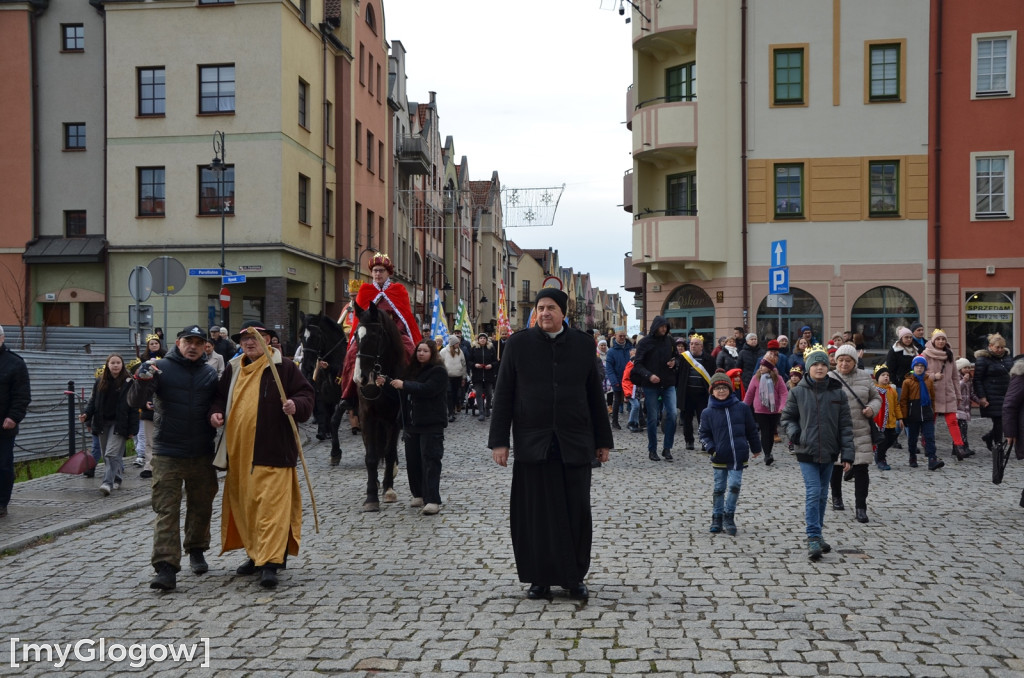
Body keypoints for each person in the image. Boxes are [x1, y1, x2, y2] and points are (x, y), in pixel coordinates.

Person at [488, 288, 612, 601]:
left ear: (563, 313)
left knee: (576, 512)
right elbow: (503, 395)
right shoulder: (518, 344)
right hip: (533, 443)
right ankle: (539, 578)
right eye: (541, 307)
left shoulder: (583, 345)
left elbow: (595, 397)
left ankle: (573, 578)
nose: (544, 313)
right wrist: (499, 442)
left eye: (551, 308)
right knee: (535, 514)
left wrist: (603, 441)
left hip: (574, 442)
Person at [209, 321, 314, 589]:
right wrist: (216, 412)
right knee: (248, 508)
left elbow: (306, 395)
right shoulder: (233, 368)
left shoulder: (284, 367)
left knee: (271, 509)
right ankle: (256, 555)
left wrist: (295, 405)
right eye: (245, 339)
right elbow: (219, 398)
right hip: (240, 453)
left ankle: (271, 562)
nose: (250, 342)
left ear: (269, 340)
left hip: (274, 451)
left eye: (256, 337)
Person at [129, 325, 221, 591]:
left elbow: (217, 403)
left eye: (198, 342)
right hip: (168, 451)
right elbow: (135, 399)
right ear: (178, 343)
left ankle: (196, 548)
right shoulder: (160, 368)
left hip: (202, 451)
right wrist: (141, 380)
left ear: (205, 346)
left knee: (201, 505)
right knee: (166, 509)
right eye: (187, 341)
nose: (192, 346)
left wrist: (216, 415)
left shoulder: (209, 373)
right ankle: (166, 567)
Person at [780, 344, 854, 561]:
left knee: (823, 495)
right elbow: (787, 418)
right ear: (808, 368)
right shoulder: (797, 392)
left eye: (823, 364)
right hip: (807, 450)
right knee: (813, 492)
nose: (820, 368)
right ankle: (812, 536)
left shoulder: (837, 392)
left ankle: (818, 534)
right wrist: (796, 435)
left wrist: (848, 454)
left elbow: (846, 425)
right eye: (816, 365)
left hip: (830, 451)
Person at [378, 339, 448, 515]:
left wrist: (405, 384)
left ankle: (432, 499)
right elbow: (400, 391)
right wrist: (386, 383)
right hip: (411, 423)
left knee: (430, 460)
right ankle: (418, 494)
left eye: (425, 351)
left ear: (432, 353)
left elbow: (427, 389)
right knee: (413, 461)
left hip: (431, 423)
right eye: (419, 351)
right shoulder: (411, 371)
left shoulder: (438, 371)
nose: (421, 354)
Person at [339, 252, 422, 403]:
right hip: (370, 334)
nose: (378, 274)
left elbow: (404, 317)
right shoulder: (365, 291)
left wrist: (393, 332)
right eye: (375, 270)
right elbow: (361, 317)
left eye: (381, 270)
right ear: (371, 273)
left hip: (395, 332)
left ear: (388, 273)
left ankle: (413, 389)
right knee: (351, 354)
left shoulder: (399, 290)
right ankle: (348, 395)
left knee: (411, 350)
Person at [699, 372, 761, 535]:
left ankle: (729, 515)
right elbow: (703, 434)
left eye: (724, 388)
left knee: (734, 486)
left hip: (738, 455)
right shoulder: (707, 412)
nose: (721, 391)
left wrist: (756, 447)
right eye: (717, 388)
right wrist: (712, 449)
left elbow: (751, 429)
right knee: (719, 488)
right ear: (712, 391)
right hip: (719, 455)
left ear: (730, 389)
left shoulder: (742, 408)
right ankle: (717, 517)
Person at [828, 344, 880, 523]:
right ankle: (836, 497)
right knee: (835, 466)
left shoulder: (865, 377)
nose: (843, 363)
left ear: (854, 362)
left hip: (860, 429)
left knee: (861, 468)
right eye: (840, 360)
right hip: (836, 430)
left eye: (847, 360)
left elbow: (876, 397)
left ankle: (860, 507)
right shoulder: (829, 377)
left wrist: (872, 409)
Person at [81, 354, 139, 496]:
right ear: (107, 365)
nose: (115, 365)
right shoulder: (100, 381)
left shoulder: (129, 382)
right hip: (102, 422)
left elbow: (133, 407)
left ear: (122, 364)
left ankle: (107, 482)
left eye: (118, 362)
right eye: (112, 362)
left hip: (120, 423)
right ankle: (117, 478)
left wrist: (133, 428)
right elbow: (93, 402)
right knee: (112, 454)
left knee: (110, 454)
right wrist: (86, 415)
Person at [631, 315, 679, 462]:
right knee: (652, 418)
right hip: (651, 385)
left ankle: (667, 448)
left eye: (666, 327)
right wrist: (649, 375)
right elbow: (637, 364)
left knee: (672, 414)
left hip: (668, 383)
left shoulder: (670, 340)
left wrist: (674, 362)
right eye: (662, 327)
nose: (664, 329)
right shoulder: (645, 342)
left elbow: (677, 357)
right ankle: (652, 449)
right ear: (655, 327)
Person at [921, 329, 966, 461]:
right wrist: (934, 376)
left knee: (952, 421)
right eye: (938, 339)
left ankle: (959, 447)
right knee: (931, 422)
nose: (941, 341)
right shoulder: (925, 355)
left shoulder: (949, 354)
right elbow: (917, 373)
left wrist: (958, 395)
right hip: (932, 394)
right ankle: (927, 444)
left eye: (943, 339)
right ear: (933, 340)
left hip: (948, 393)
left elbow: (955, 377)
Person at [0, 325, 30, 519]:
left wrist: (13, 417)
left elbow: (22, 395)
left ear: (1, 338)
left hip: (4, 426)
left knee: (2, 465)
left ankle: (1, 502)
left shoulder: (14, 363)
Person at [743, 357, 789, 466]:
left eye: (763, 366)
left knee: (771, 431)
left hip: (775, 410)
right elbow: (749, 394)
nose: (760, 368)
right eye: (760, 365)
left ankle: (769, 452)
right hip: (760, 410)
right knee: (765, 432)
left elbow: (784, 394)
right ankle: (767, 455)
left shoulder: (778, 378)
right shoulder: (756, 378)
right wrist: (743, 408)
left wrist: (782, 406)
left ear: (769, 368)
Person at [900, 356, 943, 471]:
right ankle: (912, 456)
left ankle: (932, 459)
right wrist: (904, 416)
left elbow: (932, 397)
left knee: (929, 437)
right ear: (913, 367)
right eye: (917, 366)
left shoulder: (928, 380)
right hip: (913, 413)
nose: (919, 368)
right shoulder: (907, 382)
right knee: (912, 438)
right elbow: (903, 400)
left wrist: (933, 411)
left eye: (922, 366)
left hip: (927, 412)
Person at [974, 332, 1014, 451]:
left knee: (1003, 420)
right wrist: (982, 397)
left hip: (1006, 393)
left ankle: (989, 437)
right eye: (997, 347)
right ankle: (998, 445)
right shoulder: (983, 359)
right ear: (990, 346)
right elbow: (977, 380)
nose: (1000, 350)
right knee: (999, 420)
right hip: (991, 395)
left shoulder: (1006, 358)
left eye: (1002, 347)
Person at [133, 334, 166, 476]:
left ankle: (163, 464)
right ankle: (149, 466)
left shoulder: (166, 360)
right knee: (148, 438)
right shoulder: (142, 360)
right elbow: (139, 386)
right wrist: (144, 402)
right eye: (151, 344)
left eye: (156, 343)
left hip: (163, 404)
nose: (154, 346)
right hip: (147, 404)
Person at [676, 333, 714, 451]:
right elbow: (678, 375)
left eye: (696, 344)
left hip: (703, 394)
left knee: (703, 419)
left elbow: (712, 375)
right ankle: (689, 441)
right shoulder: (684, 358)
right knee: (687, 419)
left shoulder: (709, 359)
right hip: (687, 393)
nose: (693, 346)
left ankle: (704, 440)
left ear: (701, 346)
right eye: (691, 344)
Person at [871, 364, 903, 471]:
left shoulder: (892, 390)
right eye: (883, 375)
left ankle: (880, 454)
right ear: (877, 377)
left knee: (891, 439)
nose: (886, 377)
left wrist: (900, 418)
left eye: (887, 375)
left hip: (891, 421)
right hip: (880, 422)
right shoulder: (874, 390)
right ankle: (881, 459)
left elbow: (896, 405)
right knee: (882, 441)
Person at [605, 328, 633, 430]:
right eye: (620, 336)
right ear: (615, 336)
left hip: (630, 380)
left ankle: (635, 421)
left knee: (634, 401)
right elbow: (609, 368)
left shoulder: (630, 348)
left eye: (623, 336)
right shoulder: (611, 351)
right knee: (617, 401)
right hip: (618, 379)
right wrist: (614, 381)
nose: (622, 338)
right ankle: (615, 421)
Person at [469, 333, 497, 421]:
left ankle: (487, 407)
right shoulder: (474, 349)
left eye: (484, 338)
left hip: (489, 375)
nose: (482, 340)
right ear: (478, 340)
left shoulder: (491, 349)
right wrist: (475, 365)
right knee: (479, 393)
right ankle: (481, 412)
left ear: (486, 340)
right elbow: (469, 361)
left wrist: (491, 365)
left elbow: (495, 361)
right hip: (478, 375)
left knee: (489, 393)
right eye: (480, 338)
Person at [955, 358, 979, 458]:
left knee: (962, 428)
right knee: (961, 427)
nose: (967, 369)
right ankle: (963, 446)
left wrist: (978, 401)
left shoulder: (969, 379)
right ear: (960, 368)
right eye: (965, 367)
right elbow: (956, 389)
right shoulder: (957, 378)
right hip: (958, 407)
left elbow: (971, 393)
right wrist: (963, 381)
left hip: (966, 407)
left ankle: (958, 447)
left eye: (969, 367)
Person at [440, 335, 467, 423]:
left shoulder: (460, 351)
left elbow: (463, 364)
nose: (458, 344)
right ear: (453, 343)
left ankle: (455, 407)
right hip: (447, 376)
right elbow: (440, 363)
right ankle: (450, 413)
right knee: (449, 394)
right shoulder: (444, 351)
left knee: (456, 394)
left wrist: (464, 377)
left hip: (457, 376)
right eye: (457, 343)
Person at [885, 327, 920, 393]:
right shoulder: (894, 351)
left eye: (910, 337)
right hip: (900, 385)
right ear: (901, 338)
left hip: (914, 383)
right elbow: (890, 369)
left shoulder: (915, 350)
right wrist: (895, 382)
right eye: (906, 337)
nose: (909, 339)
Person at [622, 348, 641, 433]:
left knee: (637, 406)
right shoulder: (630, 367)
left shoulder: (634, 366)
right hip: (631, 390)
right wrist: (627, 393)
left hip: (635, 389)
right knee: (636, 405)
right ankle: (631, 423)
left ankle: (635, 423)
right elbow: (625, 381)